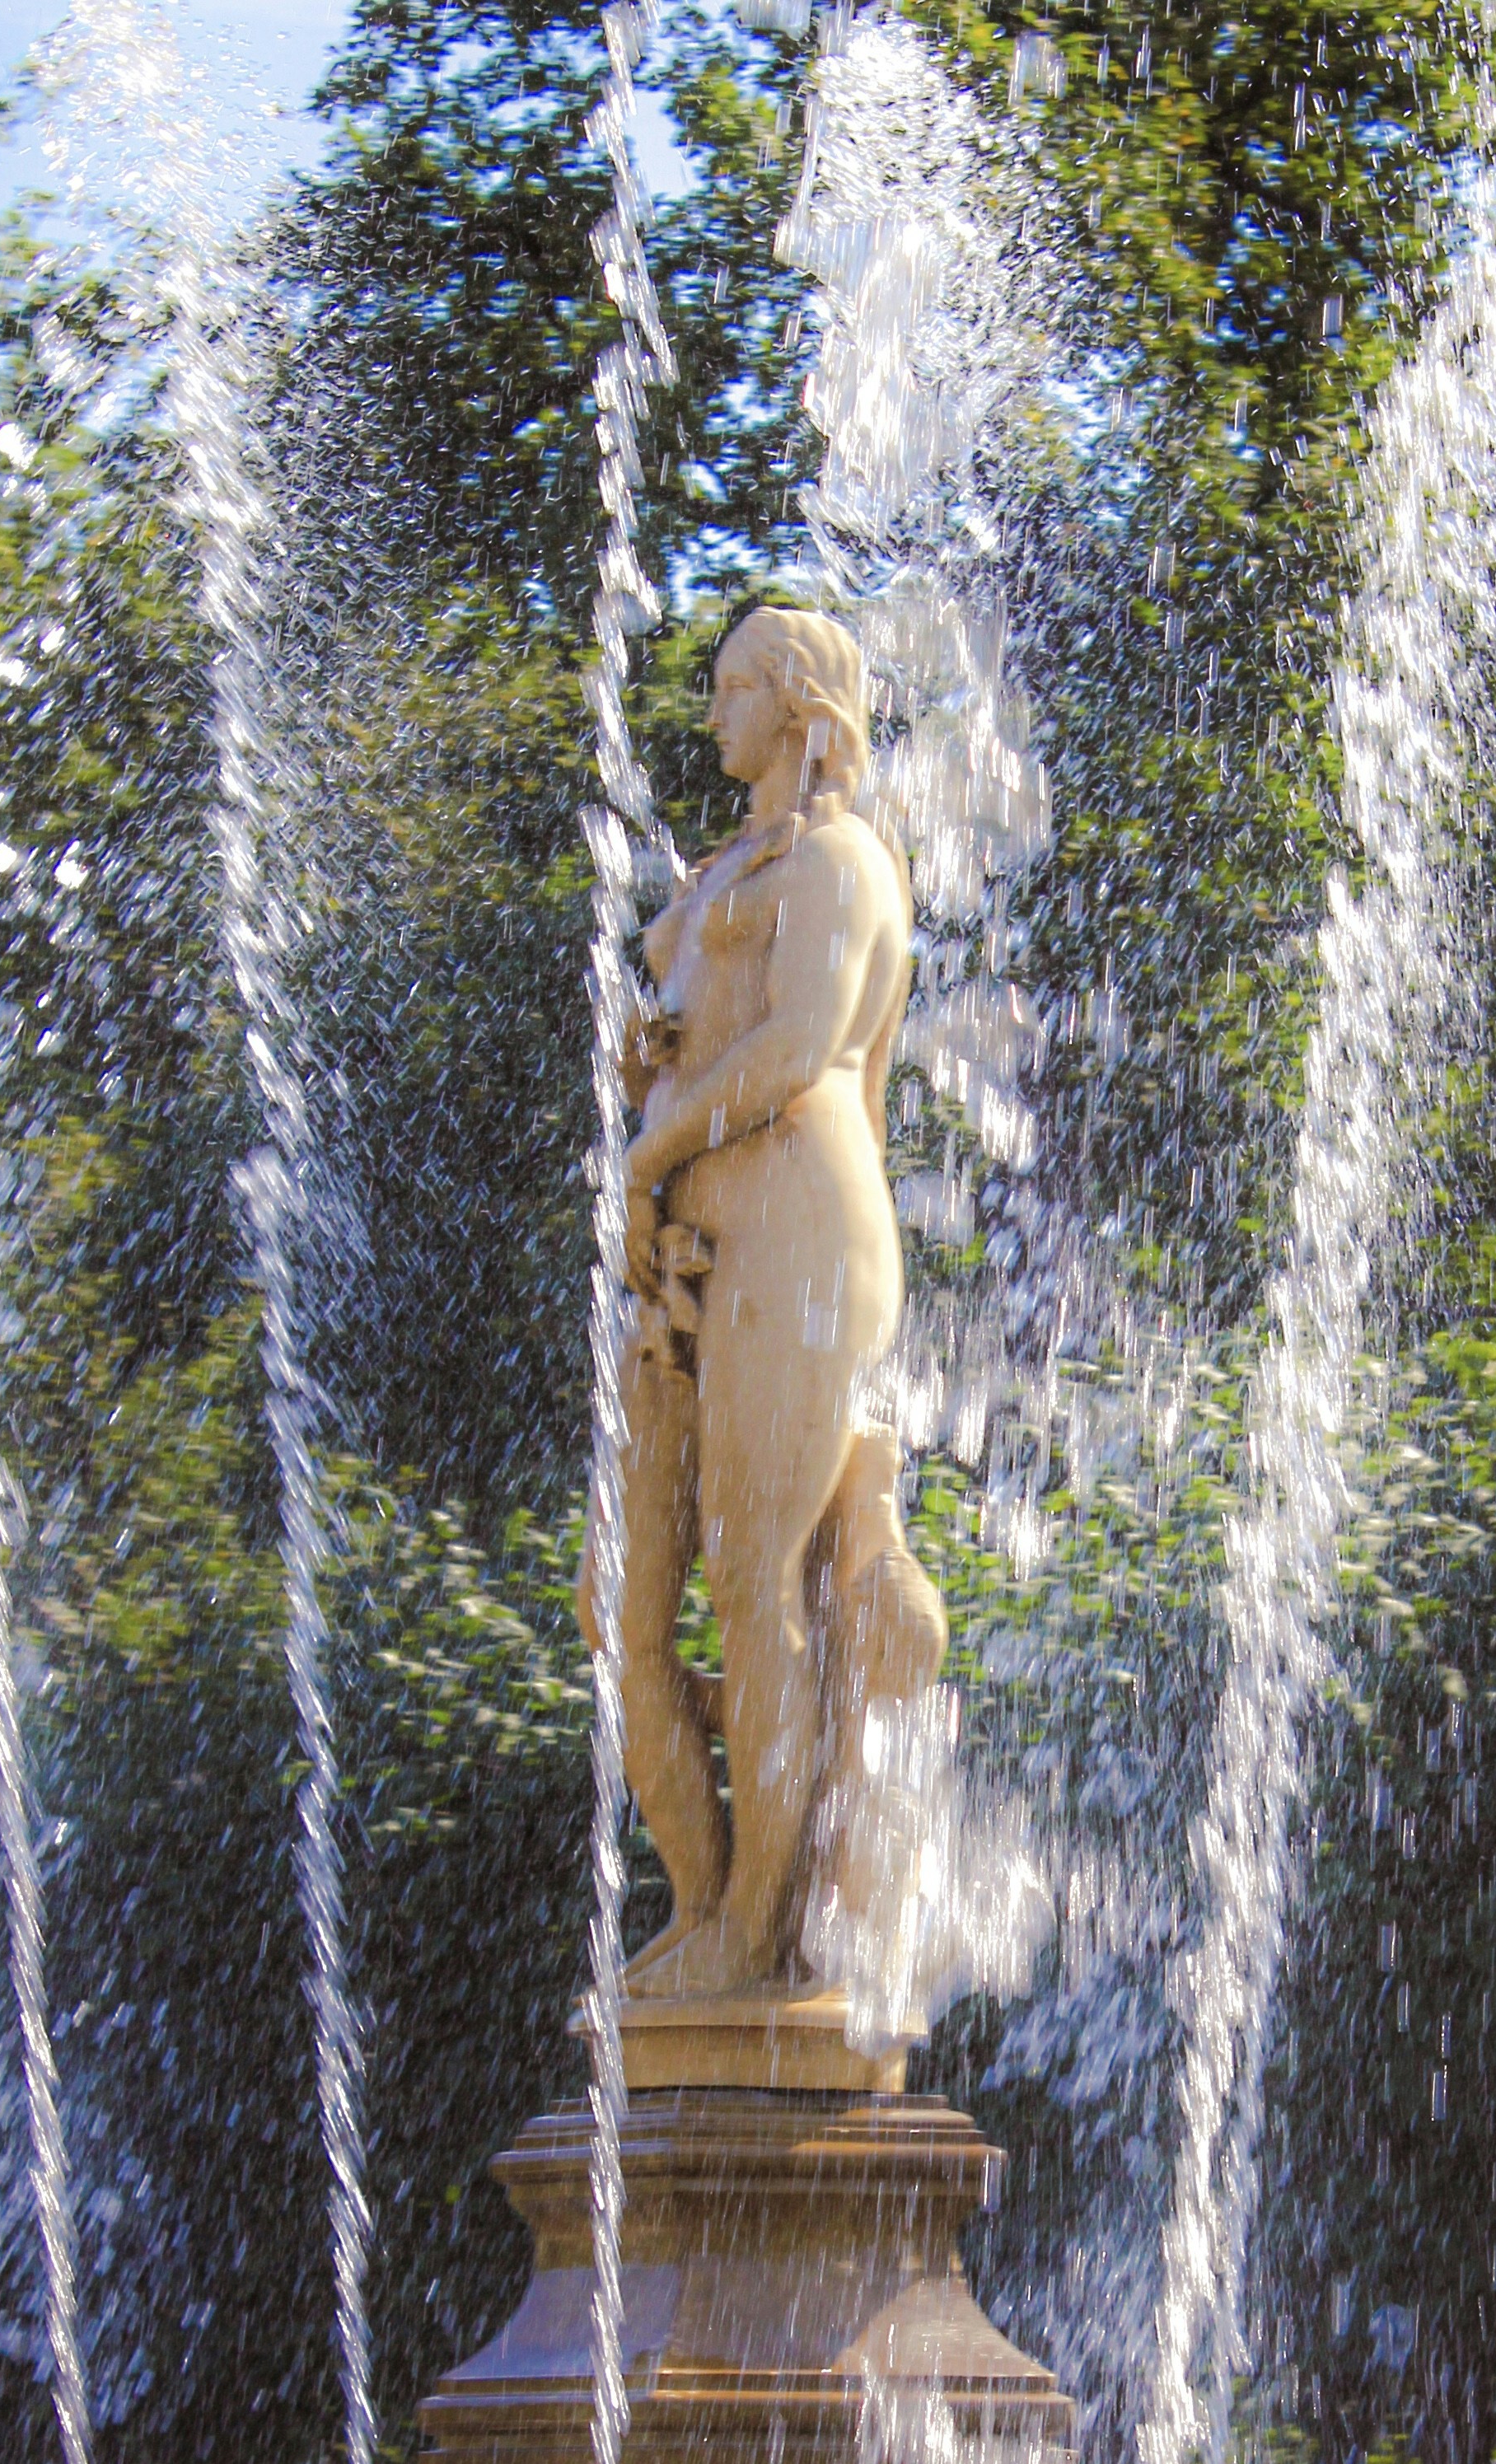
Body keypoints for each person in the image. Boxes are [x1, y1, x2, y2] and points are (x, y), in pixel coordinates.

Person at [574, 603, 944, 1999]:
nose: (711, 714)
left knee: (751, 1588)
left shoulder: (842, 861)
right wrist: (645, 1070)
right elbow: (713, 1030)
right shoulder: (730, 862)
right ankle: (696, 1910)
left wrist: (655, 1148)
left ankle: (754, 1932)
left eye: (733, 690)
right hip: (690, 1264)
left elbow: (799, 1045)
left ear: (796, 704)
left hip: (798, 1234)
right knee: (621, 1607)